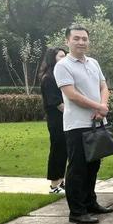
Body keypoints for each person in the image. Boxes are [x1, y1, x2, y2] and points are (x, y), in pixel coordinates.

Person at [54, 24, 113, 224]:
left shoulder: (93, 63)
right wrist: (97, 106)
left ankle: (90, 202)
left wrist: (102, 106)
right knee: (77, 168)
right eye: (76, 38)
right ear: (67, 41)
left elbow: (103, 85)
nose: (81, 42)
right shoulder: (63, 66)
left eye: (84, 39)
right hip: (77, 125)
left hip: (97, 121)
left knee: (93, 166)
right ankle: (77, 211)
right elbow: (71, 95)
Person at [40, 47, 68, 194]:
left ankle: (61, 181)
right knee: (57, 150)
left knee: (64, 151)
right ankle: (54, 184)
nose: (64, 59)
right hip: (56, 120)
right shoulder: (49, 79)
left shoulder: (60, 76)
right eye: (61, 56)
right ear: (53, 59)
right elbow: (56, 103)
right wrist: (71, 113)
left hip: (65, 119)